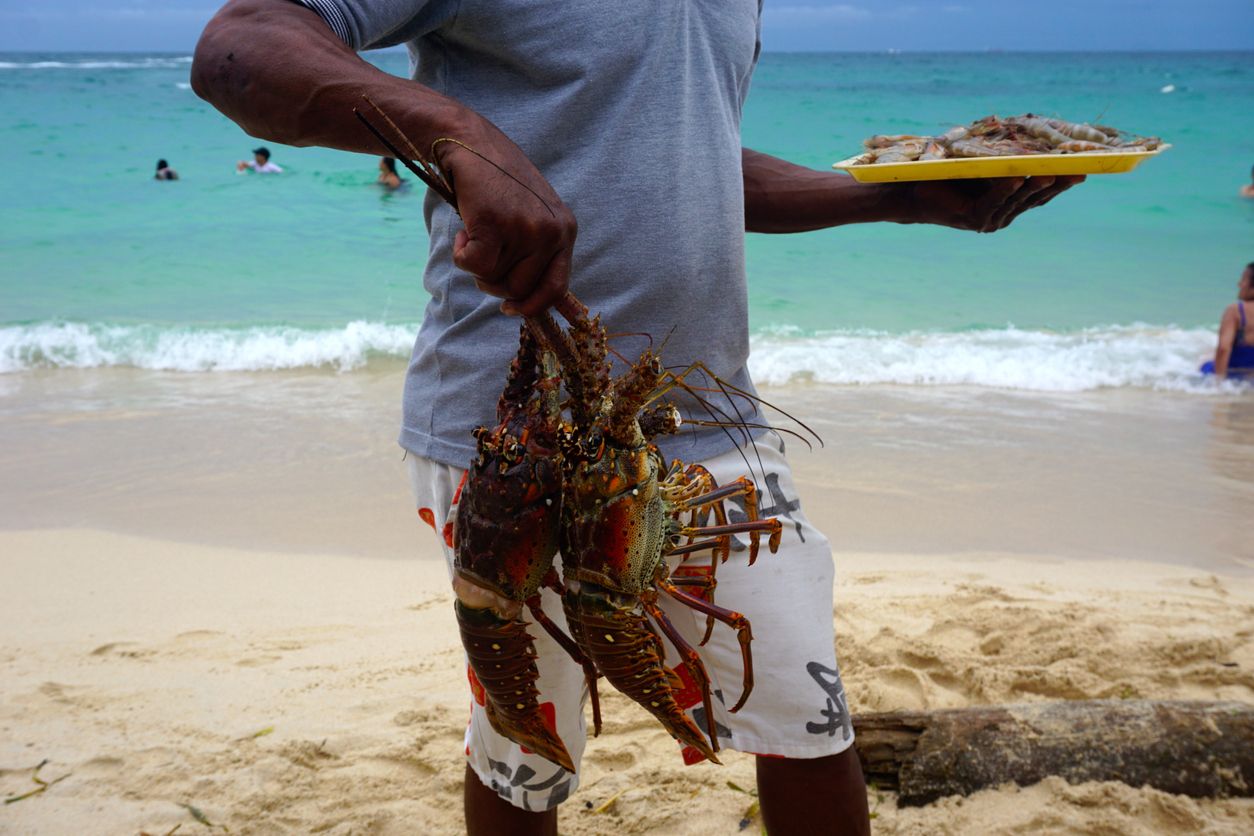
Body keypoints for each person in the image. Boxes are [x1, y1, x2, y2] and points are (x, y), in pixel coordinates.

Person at [191, 3, 1081, 833]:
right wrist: (460, 134)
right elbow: (241, 44)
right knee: (524, 741)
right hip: (514, 444)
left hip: (707, 418)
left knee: (810, 716)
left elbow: (691, 162)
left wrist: (897, 197)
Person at [1201, 262, 1254, 379]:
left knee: (1203, 365)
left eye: (1243, 280)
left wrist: (1219, 383)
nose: (1239, 284)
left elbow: (1223, 349)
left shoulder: (1236, 310)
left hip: (1234, 374)